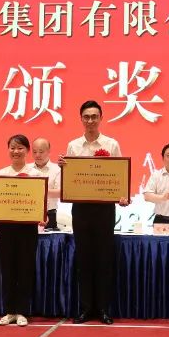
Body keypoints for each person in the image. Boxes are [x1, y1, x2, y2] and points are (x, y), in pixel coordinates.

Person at [62, 100, 127, 325]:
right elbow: (70, 178)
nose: (90, 120)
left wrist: (122, 195)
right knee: (84, 258)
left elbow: (119, 174)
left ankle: (103, 309)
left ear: (101, 118)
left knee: (104, 258)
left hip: (104, 209)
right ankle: (85, 308)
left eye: (94, 116)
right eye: (86, 117)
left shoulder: (111, 144)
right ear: (81, 119)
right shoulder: (73, 146)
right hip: (81, 208)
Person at [0, 135, 42, 326]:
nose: (16, 151)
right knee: (7, 269)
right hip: (5, 227)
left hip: (27, 227)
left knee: (25, 268)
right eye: (12, 148)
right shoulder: (0, 173)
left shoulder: (35, 174)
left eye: (20, 148)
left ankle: (22, 311)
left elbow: (40, 199)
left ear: (27, 151)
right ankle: (9, 311)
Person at [143, 143, 169, 232]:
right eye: (168, 155)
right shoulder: (156, 175)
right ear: (163, 158)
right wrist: (163, 198)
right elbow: (147, 196)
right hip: (161, 220)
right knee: (160, 241)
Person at [28, 137, 62, 231]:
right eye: (34, 152)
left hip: (50, 214)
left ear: (49, 151)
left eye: (41, 152)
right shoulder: (27, 169)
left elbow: (60, 193)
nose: (37, 155)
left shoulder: (57, 169)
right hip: (28, 212)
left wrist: (38, 191)